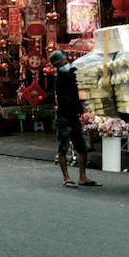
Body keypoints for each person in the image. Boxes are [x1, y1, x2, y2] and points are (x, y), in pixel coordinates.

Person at [51, 50, 100, 188]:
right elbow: (66, 99)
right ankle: (66, 177)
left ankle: (82, 176)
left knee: (82, 147)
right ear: (57, 66)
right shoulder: (59, 80)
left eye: (65, 62)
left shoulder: (74, 73)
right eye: (61, 64)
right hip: (64, 116)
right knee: (63, 147)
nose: (64, 65)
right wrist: (80, 105)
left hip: (75, 117)